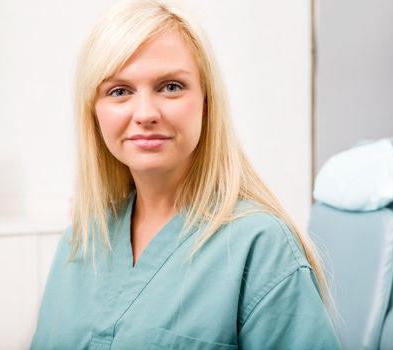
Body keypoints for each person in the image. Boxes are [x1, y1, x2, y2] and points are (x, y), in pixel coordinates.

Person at [30, 0, 341, 349]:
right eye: (119, 91)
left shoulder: (261, 246)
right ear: (95, 111)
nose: (145, 113)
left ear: (207, 103)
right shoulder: (82, 238)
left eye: (171, 87)